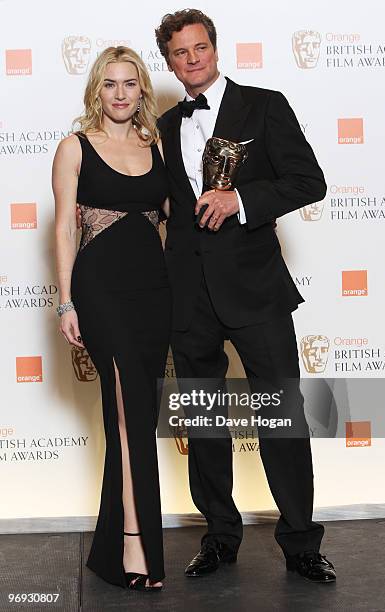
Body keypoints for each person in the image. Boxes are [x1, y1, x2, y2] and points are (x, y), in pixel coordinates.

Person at [155, 9, 336, 583]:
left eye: (200, 47)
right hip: (188, 297)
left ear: (215, 47)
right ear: (168, 61)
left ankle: (301, 543)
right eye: (180, 52)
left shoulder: (264, 104)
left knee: (283, 417)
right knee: (204, 421)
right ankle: (218, 537)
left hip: (256, 291)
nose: (192, 59)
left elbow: (310, 181)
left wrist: (243, 202)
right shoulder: (159, 126)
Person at [53, 46, 171, 591]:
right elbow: (63, 230)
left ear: (141, 90)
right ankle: (134, 542)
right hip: (101, 291)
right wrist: (66, 301)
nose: (120, 94)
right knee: (129, 418)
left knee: (136, 417)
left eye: (130, 84)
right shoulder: (74, 147)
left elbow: (179, 219)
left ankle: (110, 547)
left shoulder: (158, 147)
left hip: (154, 291)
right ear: (96, 91)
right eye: (110, 84)